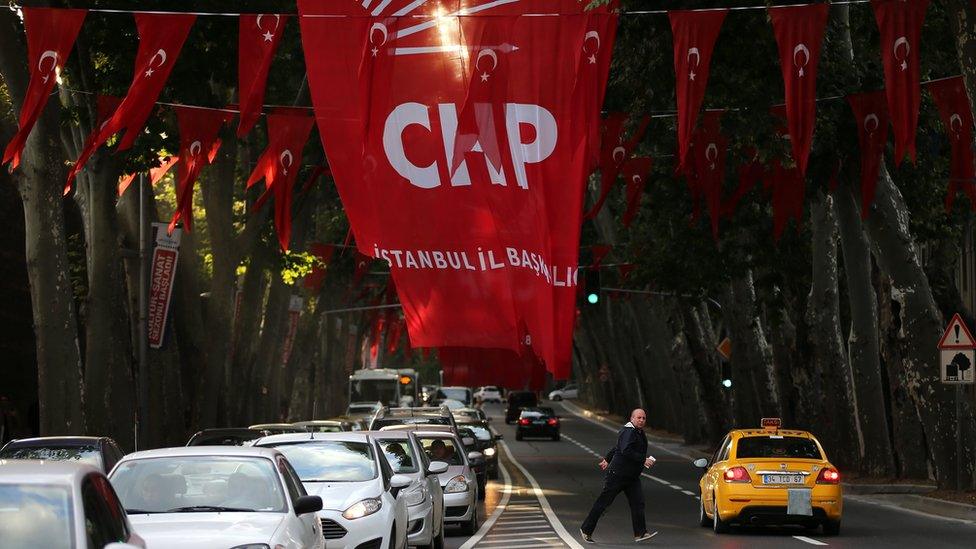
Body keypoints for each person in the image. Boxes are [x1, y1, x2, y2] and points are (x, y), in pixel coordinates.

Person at [580, 408, 658, 543]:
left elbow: (618, 447)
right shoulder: (629, 431)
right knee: (603, 503)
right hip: (617, 475)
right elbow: (625, 449)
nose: (641, 420)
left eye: (643, 418)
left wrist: (607, 458)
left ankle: (640, 533)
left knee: (638, 503)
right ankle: (586, 529)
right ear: (632, 419)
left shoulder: (638, 432)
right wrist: (643, 459)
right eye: (638, 417)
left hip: (631, 477)